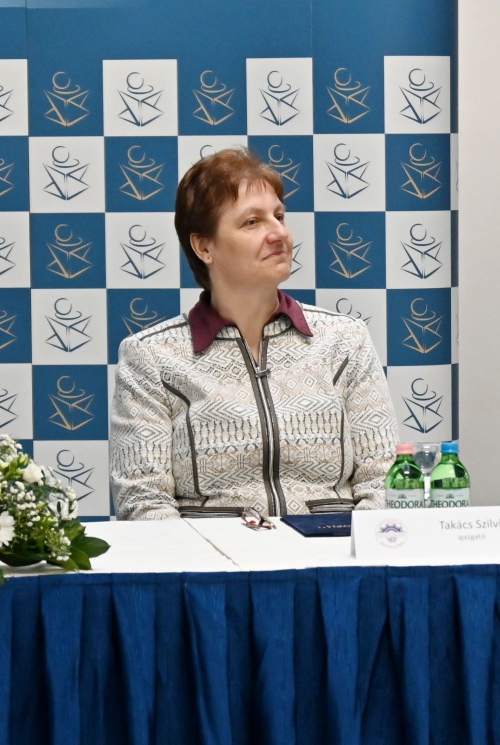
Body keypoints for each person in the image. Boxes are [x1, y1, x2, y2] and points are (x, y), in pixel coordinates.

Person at [110, 149, 398, 519]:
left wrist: (347, 551)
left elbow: (383, 482)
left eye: (279, 216)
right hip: (211, 555)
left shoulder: (344, 341)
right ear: (204, 247)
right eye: (252, 222)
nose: (279, 233)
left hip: (331, 551)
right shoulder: (151, 357)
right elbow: (144, 503)